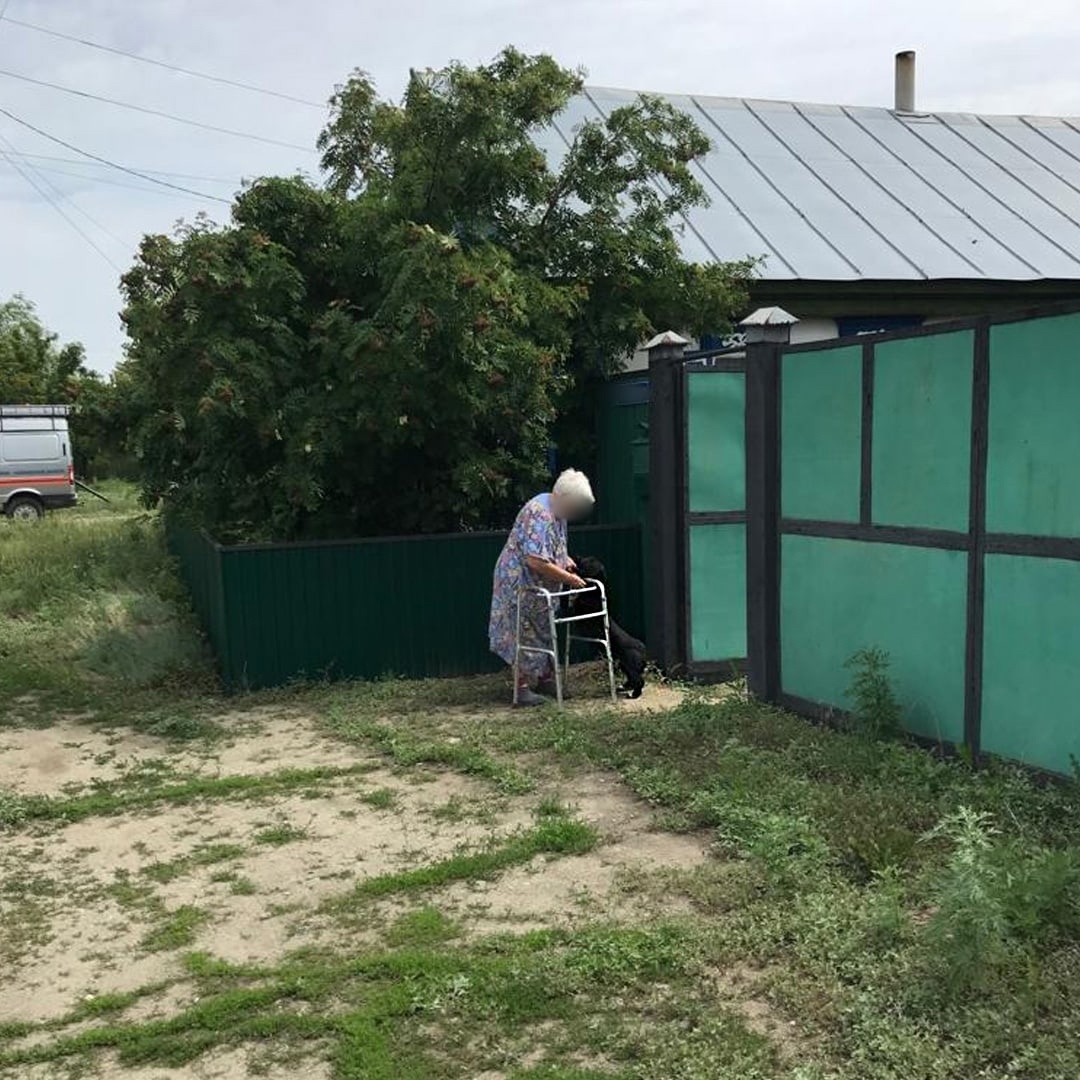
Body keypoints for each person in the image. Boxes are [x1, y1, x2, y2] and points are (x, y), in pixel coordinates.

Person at [488, 469, 595, 706]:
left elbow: (554, 545)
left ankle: (545, 678)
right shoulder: (540, 514)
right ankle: (522, 689)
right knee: (522, 631)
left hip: (540, 587)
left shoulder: (558, 511)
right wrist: (569, 580)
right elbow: (535, 560)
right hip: (520, 582)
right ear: (563, 497)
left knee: (544, 628)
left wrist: (564, 559)